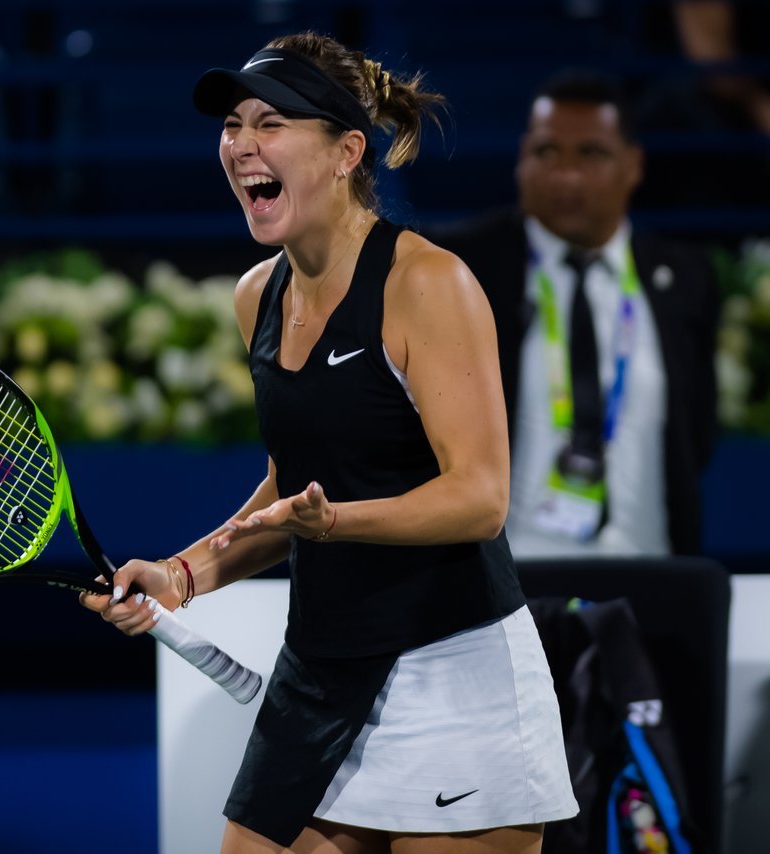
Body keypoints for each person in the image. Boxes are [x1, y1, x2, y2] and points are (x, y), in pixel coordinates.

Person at [80, 32, 577, 854]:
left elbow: (480, 498)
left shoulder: (428, 284)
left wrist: (335, 522)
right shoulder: (257, 297)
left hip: (452, 668)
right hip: (320, 666)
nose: (241, 145)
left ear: (347, 152)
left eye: (270, 122)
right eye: (232, 125)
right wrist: (181, 575)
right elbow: (293, 486)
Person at [427, 71, 720, 559]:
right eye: (546, 152)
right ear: (522, 159)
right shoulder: (457, 266)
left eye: (591, 153)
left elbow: (698, 433)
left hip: (652, 573)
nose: (566, 174)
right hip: (508, 582)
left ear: (633, 164)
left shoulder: (686, 277)